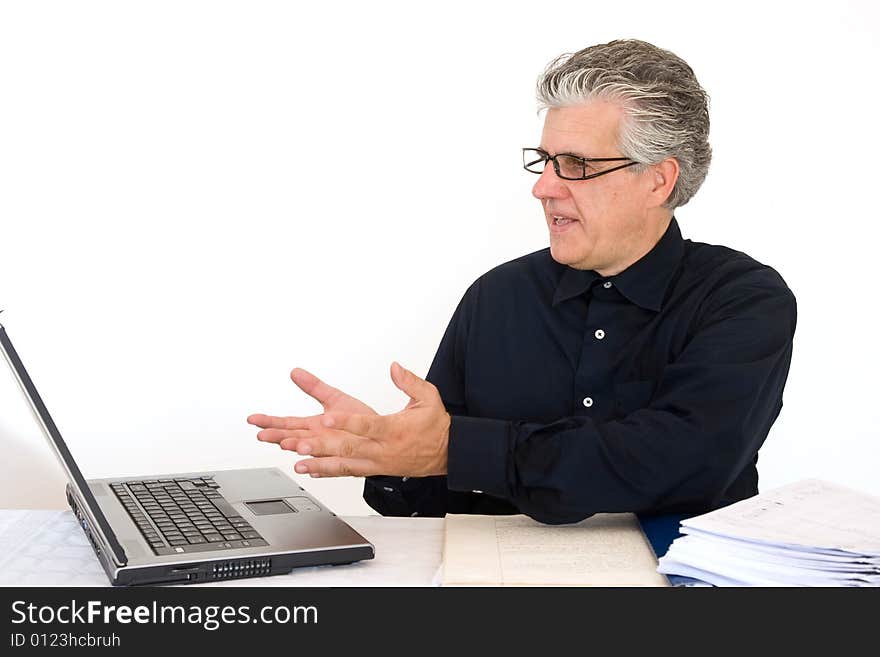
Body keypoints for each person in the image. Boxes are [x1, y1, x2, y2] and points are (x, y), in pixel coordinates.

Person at [248, 39, 796, 525]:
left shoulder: (743, 301)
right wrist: (389, 453)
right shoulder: (498, 297)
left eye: (576, 164)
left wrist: (457, 450)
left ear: (658, 179)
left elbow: (683, 461)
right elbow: (432, 488)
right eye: (545, 161)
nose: (545, 189)